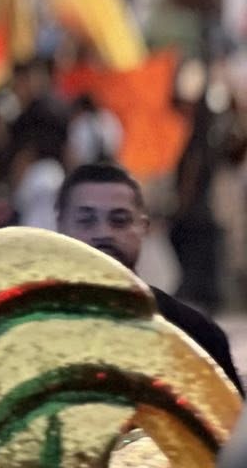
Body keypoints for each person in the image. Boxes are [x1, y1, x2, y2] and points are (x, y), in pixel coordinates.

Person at [54, 160, 240, 390]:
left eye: (119, 220)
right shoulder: (30, 327)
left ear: (143, 227)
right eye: (86, 220)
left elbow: (225, 409)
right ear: (59, 226)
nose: (103, 233)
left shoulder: (195, 334)